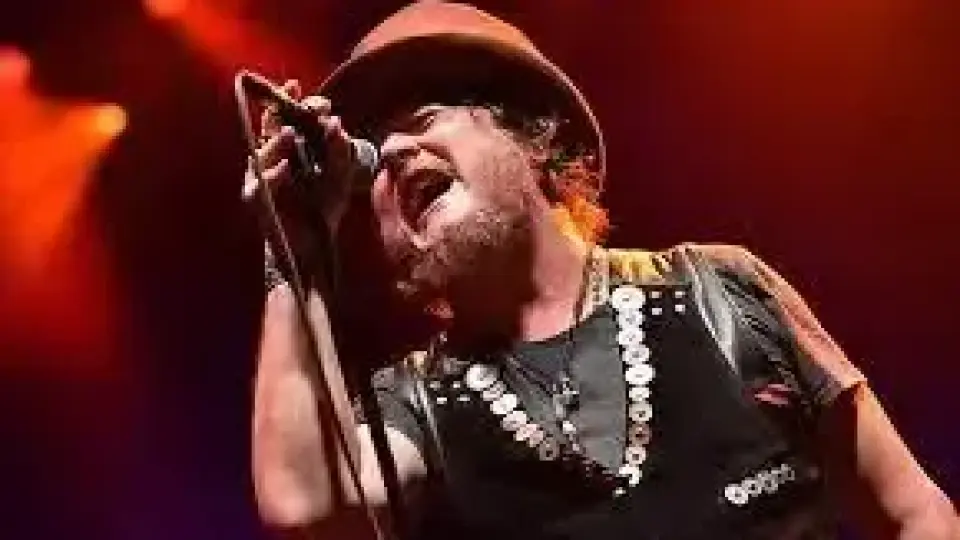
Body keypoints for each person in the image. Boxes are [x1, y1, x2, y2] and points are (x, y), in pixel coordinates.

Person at [247, 3, 958, 539]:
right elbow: (305, 509)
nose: (395, 153)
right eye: (374, 153)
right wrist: (292, 255)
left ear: (535, 138)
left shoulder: (720, 291)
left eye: (424, 118)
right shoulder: (417, 405)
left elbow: (915, 514)